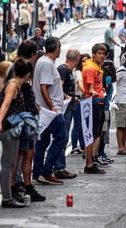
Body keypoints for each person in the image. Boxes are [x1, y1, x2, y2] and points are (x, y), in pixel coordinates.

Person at [0, 57, 33, 208]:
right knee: (7, 164)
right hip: (9, 129)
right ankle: (6, 198)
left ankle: (8, 196)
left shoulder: (16, 85)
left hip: (16, 128)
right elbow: (4, 105)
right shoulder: (12, 86)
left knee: (10, 163)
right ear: (27, 73)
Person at [32, 37, 67, 184]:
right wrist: (52, 106)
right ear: (57, 47)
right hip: (50, 112)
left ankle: (37, 173)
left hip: (45, 111)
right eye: (60, 46)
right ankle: (46, 171)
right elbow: (44, 86)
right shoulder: (46, 64)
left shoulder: (44, 62)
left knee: (42, 142)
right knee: (62, 138)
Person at [53, 49, 80, 179]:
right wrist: (68, 97)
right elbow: (58, 87)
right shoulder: (64, 70)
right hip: (64, 108)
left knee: (63, 137)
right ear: (78, 58)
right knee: (62, 137)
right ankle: (59, 167)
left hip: (68, 107)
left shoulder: (67, 70)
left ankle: (59, 166)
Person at [82, 43, 107, 174]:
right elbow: (90, 88)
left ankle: (91, 161)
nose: (102, 56)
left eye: (104, 54)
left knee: (96, 134)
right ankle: (89, 164)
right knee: (92, 135)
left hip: (99, 102)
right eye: (99, 53)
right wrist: (95, 92)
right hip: (94, 103)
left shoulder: (97, 67)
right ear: (93, 54)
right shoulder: (91, 69)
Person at [71, 53, 90, 155]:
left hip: (85, 98)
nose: (85, 63)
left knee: (84, 125)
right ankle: (74, 146)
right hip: (78, 98)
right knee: (78, 124)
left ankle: (83, 146)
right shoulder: (78, 72)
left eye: (87, 61)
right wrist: (84, 90)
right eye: (83, 61)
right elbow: (80, 83)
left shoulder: (89, 71)